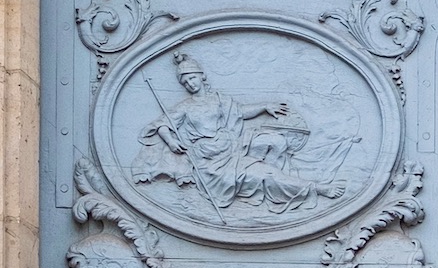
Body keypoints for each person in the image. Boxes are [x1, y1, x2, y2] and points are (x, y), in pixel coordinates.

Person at [132, 50, 343, 214]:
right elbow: (160, 124)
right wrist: (170, 142)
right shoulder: (185, 107)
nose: (189, 84)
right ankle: (314, 188)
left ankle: (277, 176)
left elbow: (239, 112)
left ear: (201, 76)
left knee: (275, 140)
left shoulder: (219, 99)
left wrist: (264, 107)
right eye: (185, 82)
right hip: (211, 162)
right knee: (265, 175)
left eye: (192, 78)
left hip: (232, 147)